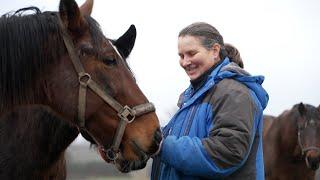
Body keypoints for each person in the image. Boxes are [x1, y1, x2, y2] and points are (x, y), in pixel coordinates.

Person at [151, 22, 269, 179]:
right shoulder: (193, 96)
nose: (185, 62)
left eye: (191, 54)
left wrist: (163, 147)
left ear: (214, 51)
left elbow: (227, 152)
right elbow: (162, 142)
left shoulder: (234, 93)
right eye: (181, 56)